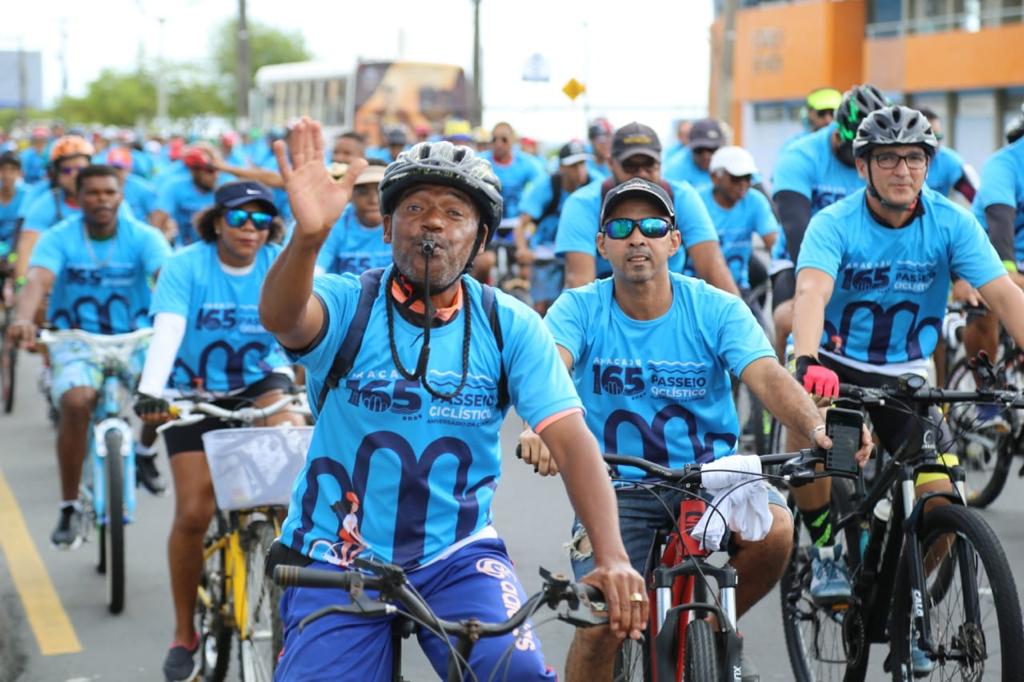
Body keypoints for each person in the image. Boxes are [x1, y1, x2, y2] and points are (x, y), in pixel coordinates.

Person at [259, 118, 645, 681]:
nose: (433, 222)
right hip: (333, 556)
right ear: (386, 226)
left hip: (456, 556)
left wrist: (612, 558)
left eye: (454, 212)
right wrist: (308, 239)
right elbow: (283, 317)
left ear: (481, 240)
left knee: (516, 673)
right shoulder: (349, 303)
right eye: (415, 208)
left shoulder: (508, 324)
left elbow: (571, 440)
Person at [519, 177, 867, 682]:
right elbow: (549, 371)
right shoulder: (578, 308)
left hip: (712, 480)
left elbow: (768, 376)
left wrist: (817, 429)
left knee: (777, 531)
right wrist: (538, 427)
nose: (637, 238)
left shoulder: (716, 307)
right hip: (616, 487)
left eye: (652, 226)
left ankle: (714, 625)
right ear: (602, 245)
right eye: (621, 228)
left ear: (674, 241)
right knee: (602, 623)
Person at [788, 107, 1024, 676]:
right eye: (888, 158)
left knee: (941, 499)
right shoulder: (834, 223)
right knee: (817, 436)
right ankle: (825, 549)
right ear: (863, 167)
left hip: (907, 377)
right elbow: (811, 292)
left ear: (928, 165)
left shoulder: (950, 222)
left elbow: (1004, 295)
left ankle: (903, 611)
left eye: (914, 158)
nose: (903, 170)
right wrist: (807, 360)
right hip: (837, 366)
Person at [131, 180, 301, 682]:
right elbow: (168, 329)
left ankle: (295, 611)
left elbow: (307, 326)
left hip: (260, 383)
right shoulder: (185, 265)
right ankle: (184, 632)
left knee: (291, 484)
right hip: (190, 390)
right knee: (193, 511)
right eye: (239, 217)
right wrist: (151, 390)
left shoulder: (279, 262)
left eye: (261, 218)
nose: (251, 227)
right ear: (217, 222)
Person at [5, 165, 171, 548]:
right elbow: (38, 280)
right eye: (93, 193)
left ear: (120, 196)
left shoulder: (143, 236)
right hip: (76, 340)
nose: (102, 200)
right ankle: (68, 505)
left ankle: (145, 451)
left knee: (162, 391)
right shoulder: (59, 237)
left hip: (135, 337)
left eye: (109, 192)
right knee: (76, 402)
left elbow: (166, 276)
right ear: (78, 198)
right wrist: (23, 319)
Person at [768, 84, 888, 358]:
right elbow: (796, 230)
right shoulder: (799, 156)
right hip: (798, 257)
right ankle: (779, 378)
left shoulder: (884, 163)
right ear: (838, 133)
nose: (861, 162)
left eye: (870, 154)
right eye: (856, 152)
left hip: (865, 260)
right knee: (789, 321)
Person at [556, 122, 739, 294]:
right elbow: (579, 281)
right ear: (610, 163)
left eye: (649, 164)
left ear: (660, 163)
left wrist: (739, 315)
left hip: (668, 301)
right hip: (605, 304)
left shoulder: (682, 197)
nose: (641, 173)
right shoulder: (582, 204)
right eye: (630, 166)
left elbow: (712, 267)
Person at [964, 122, 1024, 423]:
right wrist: (1011, 275)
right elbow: (1001, 230)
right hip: (985, 253)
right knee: (987, 305)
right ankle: (986, 396)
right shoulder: (1004, 165)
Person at [701, 146, 779, 327]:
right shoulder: (697, 202)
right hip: (699, 288)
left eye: (748, 178)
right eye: (736, 178)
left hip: (738, 288)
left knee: (761, 336)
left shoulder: (755, 201)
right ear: (715, 177)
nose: (743, 184)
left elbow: (775, 244)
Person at [514, 140, 592, 314]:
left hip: (579, 251)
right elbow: (521, 225)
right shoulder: (546, 186)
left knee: (580, 300)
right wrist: (523, 250)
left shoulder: (594, 185)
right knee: (542, 307)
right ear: (562, 167)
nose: (580, 170)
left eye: (583, 163)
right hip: (545, 252)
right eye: (574, 165)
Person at [315, 160, 389, 275]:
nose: (373, 200)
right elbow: (317, 270)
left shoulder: (401, 224)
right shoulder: (335, 223)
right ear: (350, 195)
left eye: (380, 192)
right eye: (363, 192)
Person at [151, 146, 221, 246]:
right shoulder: (176, 186)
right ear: (194, 171)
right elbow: (157, 221)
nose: (216, 176)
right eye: (210, 171)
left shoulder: (223, 186)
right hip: (185, 246)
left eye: (218, 170)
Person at [918, 107, 977, 201]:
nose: (936, 142)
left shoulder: (949, 161)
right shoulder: (899, 161)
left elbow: (974, 196)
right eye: (930, 137)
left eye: (939, 136)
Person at [664, 117, 726, 190]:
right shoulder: (674, 170)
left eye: (712, 149)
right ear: (690, 147)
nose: (706, 155)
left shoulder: (728, 165)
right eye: (700, 149)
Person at [779, 88, 843, 153]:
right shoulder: (795, 147)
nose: (828, 120)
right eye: (821, 113)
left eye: (833, 113)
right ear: (809, 113)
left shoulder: (847, 144)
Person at [107, 147, 159, 224]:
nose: (115, 171)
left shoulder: (143, 188)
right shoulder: (102, 187)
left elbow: (155, 216)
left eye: (119, 168)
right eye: (112, 168)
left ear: (129, 168)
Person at [0, 152, 26, 265]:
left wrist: (13, 256)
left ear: (19, 173)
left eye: (12, 170)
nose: (7, 175)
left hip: (19, 251)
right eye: (3, 169)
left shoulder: (27, 196)